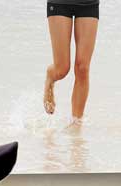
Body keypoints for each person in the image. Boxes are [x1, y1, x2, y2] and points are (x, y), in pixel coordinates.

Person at [43, 1, 100, 130]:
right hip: (60, 2)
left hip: (88, 3)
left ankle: (76, 125)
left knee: (82, 67)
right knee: (61, 69)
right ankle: (50, 77)